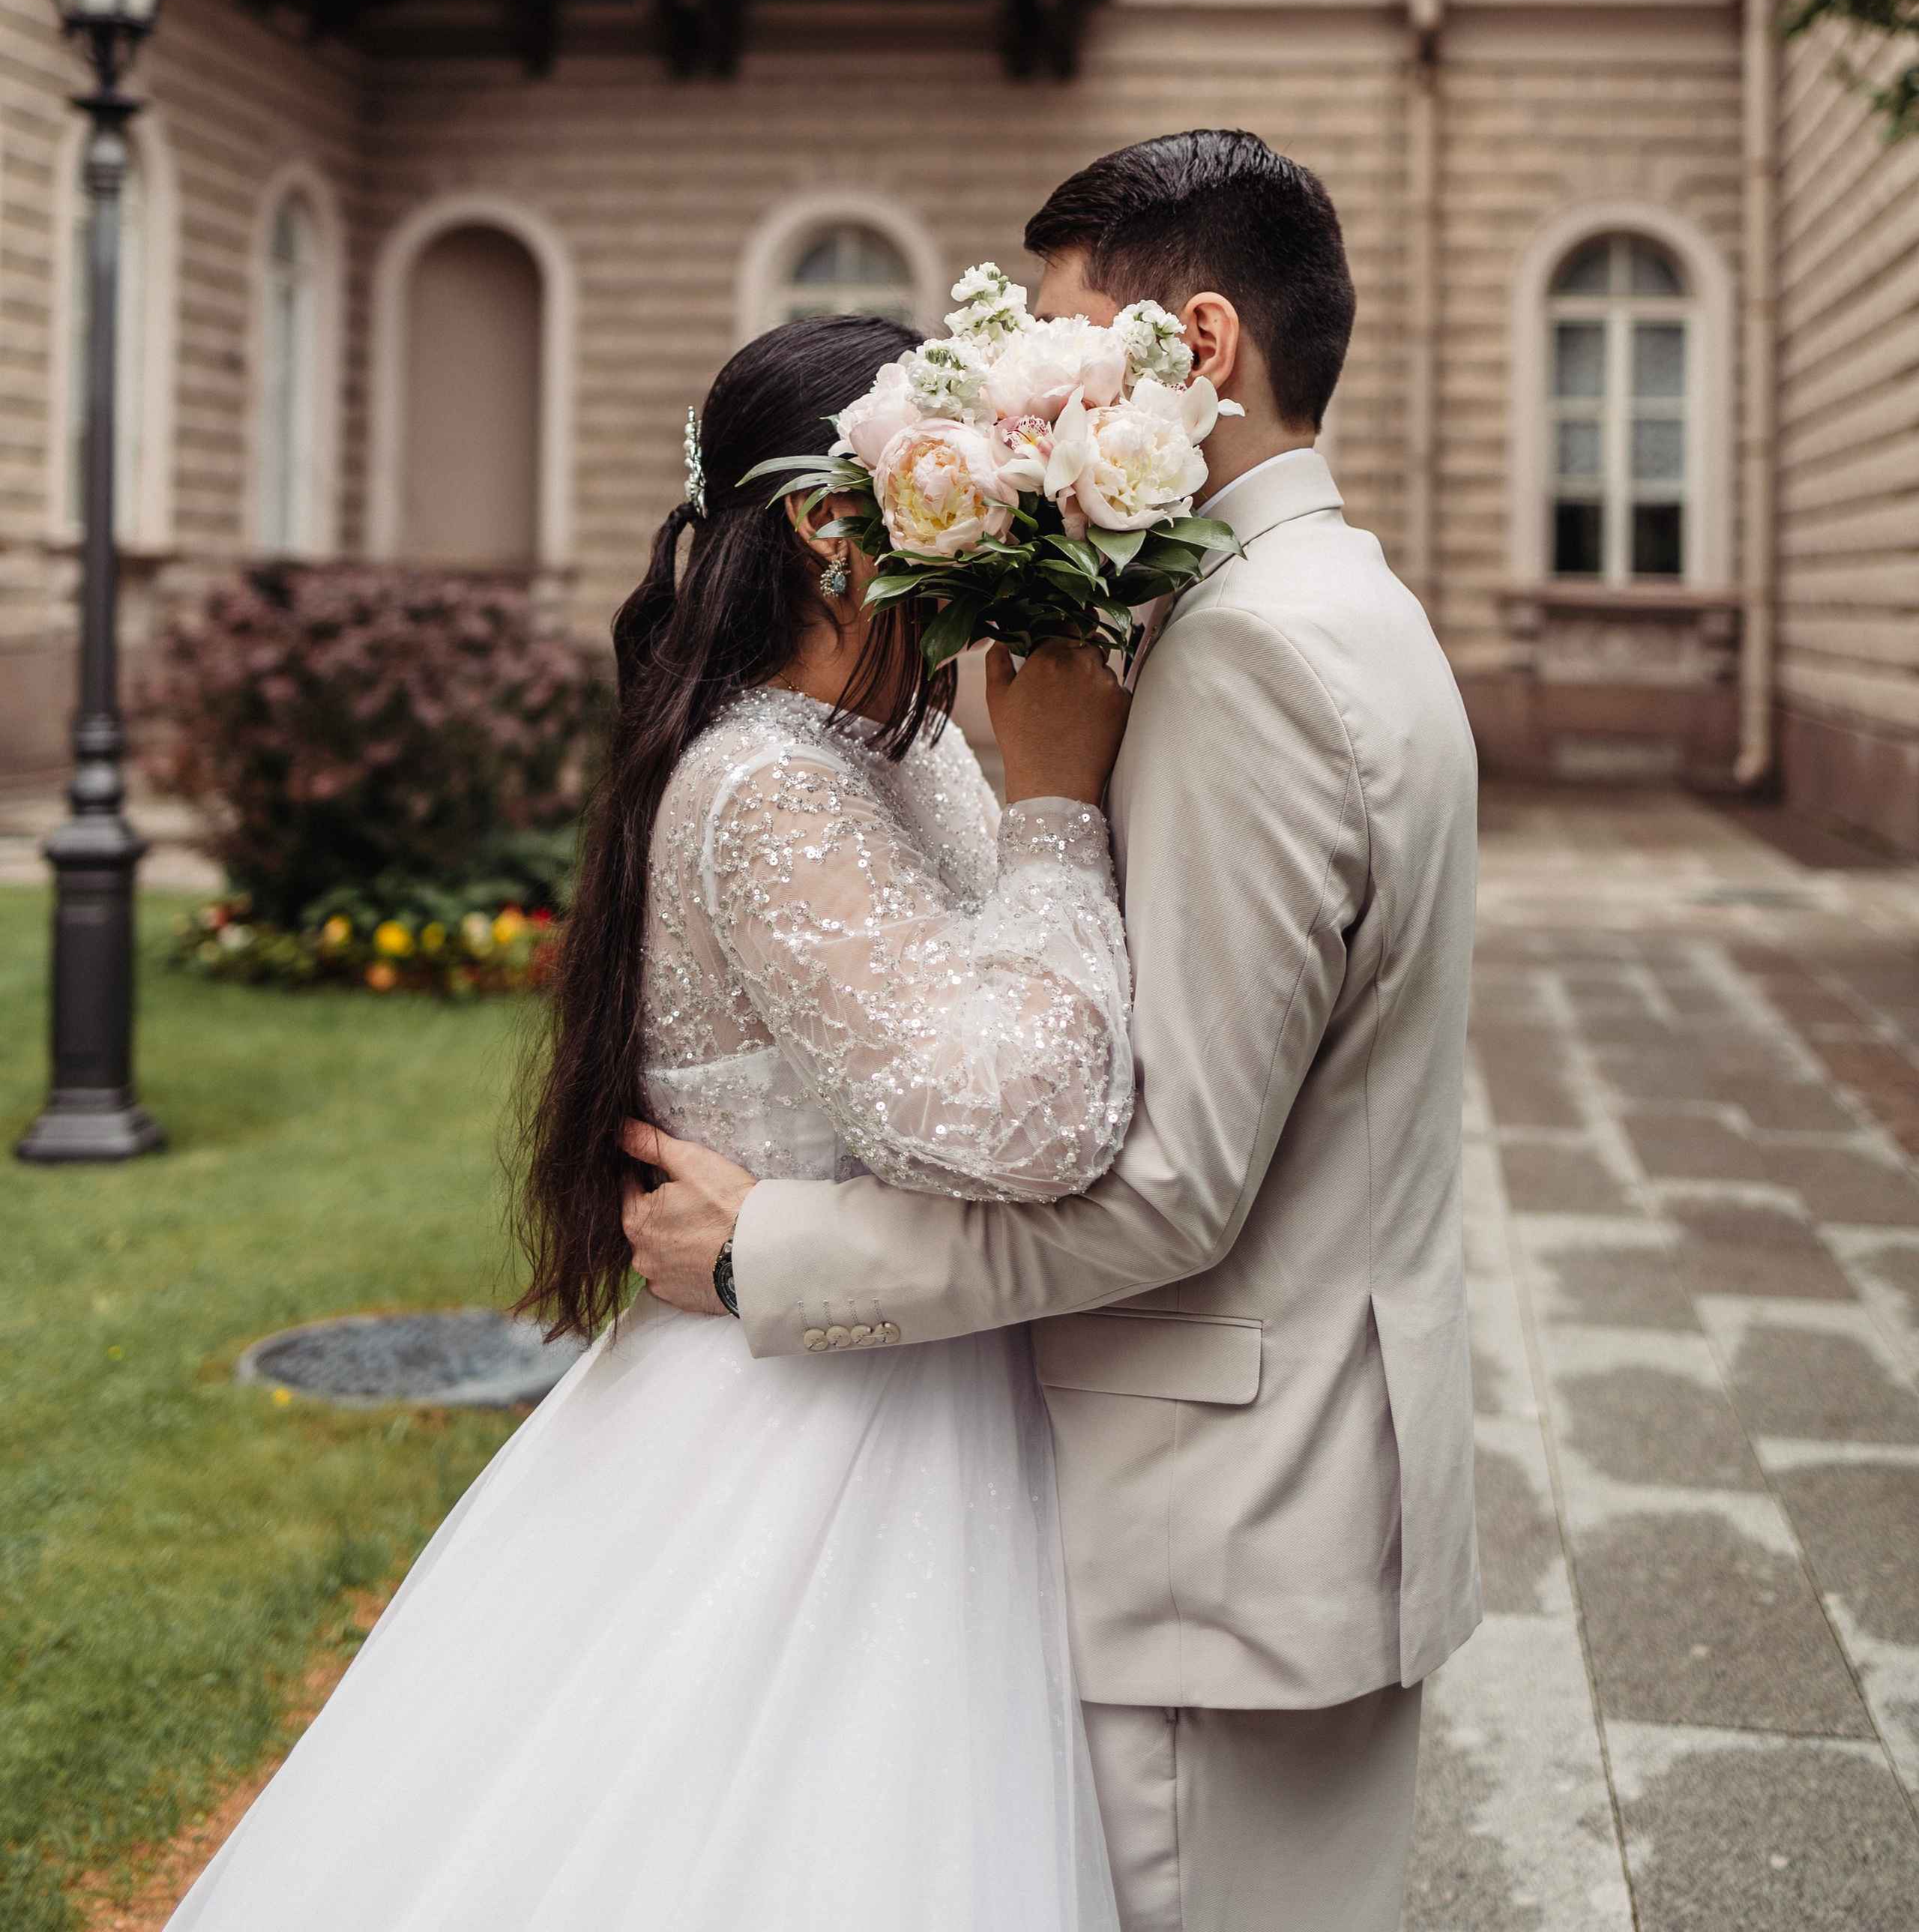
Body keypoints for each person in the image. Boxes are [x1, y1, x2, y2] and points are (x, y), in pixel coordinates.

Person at [166, 313, 1137, 1932]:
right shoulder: (766, 790)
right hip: (816, 1441)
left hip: (913, 1374)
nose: (993, 577)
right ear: (839, 533)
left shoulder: (889, 750)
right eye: (970, 518)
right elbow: (1025, 1116)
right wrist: (1055, 803)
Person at [626, 132, 1483, 1932]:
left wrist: (763, 1253)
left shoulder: (1246, 652)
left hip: (1221, 1526)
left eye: (1068, 352)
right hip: (1217, 1506)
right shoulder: (1345, 608)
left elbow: (1167, 1186)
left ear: (1200, 344)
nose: (1035, 402)